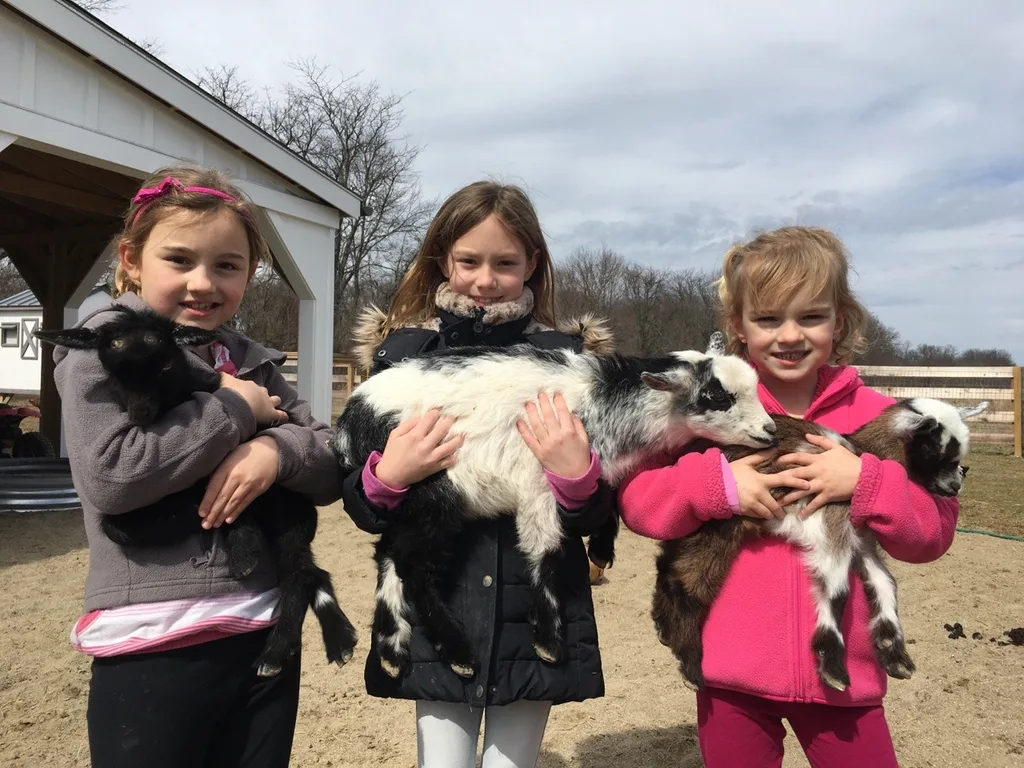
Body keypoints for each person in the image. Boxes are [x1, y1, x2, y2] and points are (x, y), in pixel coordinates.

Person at [617, 226, 959, 768]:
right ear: (739, 327)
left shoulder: (884, 420)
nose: (789, 335)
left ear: (839, 320)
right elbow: (639, 503)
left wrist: (866, 482)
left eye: (811, 316)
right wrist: (718, 487)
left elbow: (933, 534)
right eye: (769, 318)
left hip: (842, 678)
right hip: (732, 674)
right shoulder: (715, 408)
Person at [54, 166, 344, 767]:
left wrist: (274, 451)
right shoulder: (103, 353)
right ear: (132, 259)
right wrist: (234, 410)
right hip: (152, 634)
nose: (202, 283)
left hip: (261, 625)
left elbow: (327, 462)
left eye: (227, 266)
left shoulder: (252, 362)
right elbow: (112, 477)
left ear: (251, 273)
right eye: (179, 260)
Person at [342, 180, 616, 768]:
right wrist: (385, 476)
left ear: (532, 265)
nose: (485, 280)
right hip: (442, 591)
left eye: (505, 262)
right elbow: (362, 511)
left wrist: (577, 476)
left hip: (531, 604)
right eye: (469, 260)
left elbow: (598, 517)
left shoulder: (569, 364)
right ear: (444, 258)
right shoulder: (402, 359)